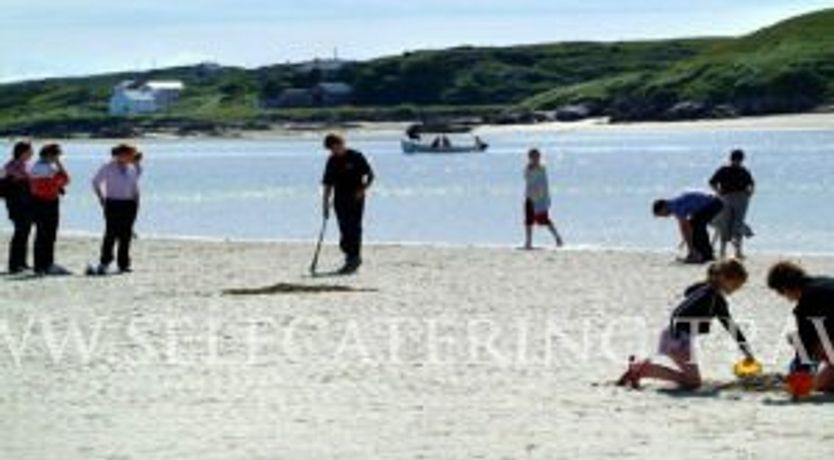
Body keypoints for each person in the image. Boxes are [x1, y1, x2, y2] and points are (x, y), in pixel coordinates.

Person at [618, 259, 756, 390]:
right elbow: (731, 328)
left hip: (671, 333)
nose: (738, 288)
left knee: (691, 380)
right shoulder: (716, 299)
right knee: (693, 383)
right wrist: (747, 352)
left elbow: (688, 291)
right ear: (725, 278)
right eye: (737, 284)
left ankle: (641, 369)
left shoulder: (703, 288)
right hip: (680, 339)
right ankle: (642, 369)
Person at [767, 261, 834, 393]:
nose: (785, 298)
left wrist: (800, 375)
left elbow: (805, 345)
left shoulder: (806, 304)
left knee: (819, 385)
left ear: (785, 288)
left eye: (781, 293)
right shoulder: (825, 281)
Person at [321, 134, 374, 274]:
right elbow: (327, 185)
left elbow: (370, 175)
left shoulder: (356, 156)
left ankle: (354, 259)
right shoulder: (332, 161)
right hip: (339, 199)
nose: (334, 151)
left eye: (336, 147)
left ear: (342, 143)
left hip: (356, 197)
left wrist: (363, 189)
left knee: (354, 228)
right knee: (344, 230)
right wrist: (325, 205)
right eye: (331, 149)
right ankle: (350, 257)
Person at [92, 144, 143, 274]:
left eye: (133, 154)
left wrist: (136, 201)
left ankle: (123, 264)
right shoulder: (107, 167)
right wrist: (101, 198)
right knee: (111, 234)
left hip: (130, 204)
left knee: (126, 235)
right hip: (113, 203)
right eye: (130, 153)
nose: (132, 156)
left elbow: (134, 186)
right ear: (121, 154)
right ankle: (105, 262)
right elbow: (95, 182)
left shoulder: (132, 168)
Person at [29, 144, 70, 275]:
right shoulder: (45, 168)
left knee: (45, 234)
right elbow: (66, 179)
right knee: (46, 235)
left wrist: (57, 166)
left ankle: (43, 265)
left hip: (43, 201)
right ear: (49, 155)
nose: (58, 158)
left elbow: (62, 181)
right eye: (57, 155)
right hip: (46, 202)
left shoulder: (38, 166)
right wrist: (59, 164)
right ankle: (44, 265)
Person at [653, 191, 724, 264]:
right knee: (694, 224)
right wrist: (690, 246)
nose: (664, 217)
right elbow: (684, 227)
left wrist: (690, 248)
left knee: (698, 225)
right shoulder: (674, 205)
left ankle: (705, 255)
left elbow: (685, 228)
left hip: (714, 203)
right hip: (709, 204)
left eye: (661, 214)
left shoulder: (676, 207)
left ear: (664, 207)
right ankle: (700, 253)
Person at [710, 149, 755, 259]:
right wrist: (718, 192)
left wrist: (750, 193)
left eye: (739, 160)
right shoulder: (724, 170)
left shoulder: (744, 171)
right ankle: (723, 251)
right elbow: (712, 182)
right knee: (725, 223)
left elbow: (751, 184)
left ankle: (738, 251)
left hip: (741, 197)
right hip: (727, 197)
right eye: (736, 160)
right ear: (731, 159)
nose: (737, 162)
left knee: (738, 224)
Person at [3, 142, 34, 273]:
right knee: (20, 232)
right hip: (16, 203)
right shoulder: (11, 165)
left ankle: (21, 262)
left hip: (25, 203)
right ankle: (14, 264)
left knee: (25, 231)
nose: (32, 153)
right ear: (22, 152)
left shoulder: (24, 165)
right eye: (30, 151)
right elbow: (19, 177)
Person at [523, 149, 564, 249]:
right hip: (529, 196)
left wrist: (545, 198)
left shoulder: (542, 169)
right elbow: (527, 179)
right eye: (532, 157)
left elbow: (544, 185)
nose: (534, 159)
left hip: (540, 198)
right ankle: (528, 242)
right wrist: (529, 169)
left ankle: (558, 238)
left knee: (543, 220)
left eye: (536, 157)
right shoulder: (527, 168)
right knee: (528, 220)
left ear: (539, 157)